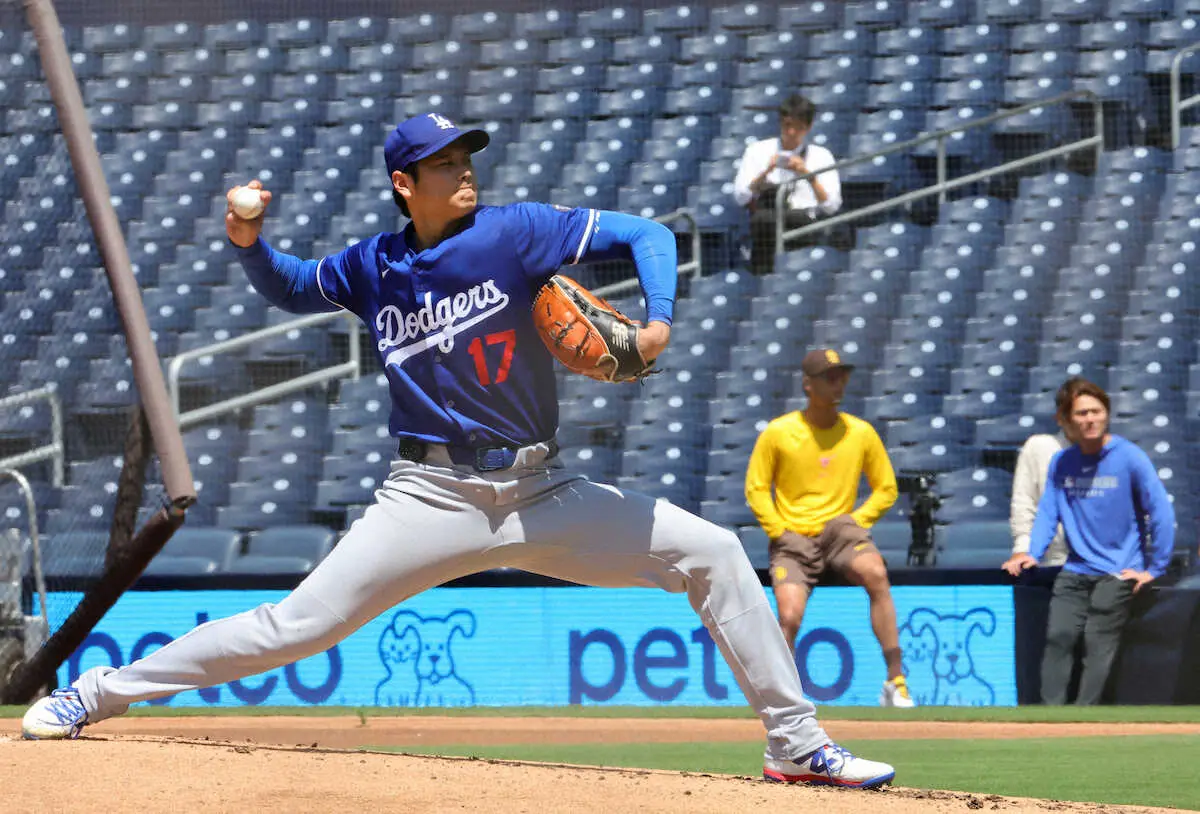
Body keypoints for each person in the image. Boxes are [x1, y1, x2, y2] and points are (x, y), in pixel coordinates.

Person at [22, 113, 894, 789]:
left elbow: (650, 236)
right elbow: (293, 286)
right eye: (444, 162)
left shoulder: (513, 232)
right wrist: (250, 246)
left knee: (714, 553)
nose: (464, 169)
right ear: (405, 184)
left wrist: (658, 319)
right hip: (428, 497)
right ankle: (94, 693)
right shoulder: (374, 265)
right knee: (293, 627)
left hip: (543, 491)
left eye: (466, 156)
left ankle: (795, 744)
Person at [744, 349, 912, 708]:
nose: (838, 384)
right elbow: (756, 488)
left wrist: (856, 521)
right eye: (829, 377)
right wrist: (778, 530)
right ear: (808, 384)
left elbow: (886, 488)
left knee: (876, 574)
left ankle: (896, 681)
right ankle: (783, 697)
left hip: (841, 533)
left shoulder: (860, 432)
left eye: (841, 377)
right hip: (793, 536)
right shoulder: (779, 432)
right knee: (789, 615)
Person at [1002, 378, 1175, 705]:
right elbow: (1048, 511)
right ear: (1066, 420)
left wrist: (1154, 568)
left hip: (1118, 570)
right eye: (1081, 413)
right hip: (1076, 568)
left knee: (1097, 641)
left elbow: (1161, 512)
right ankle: (1051, 717)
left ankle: (1085, 715)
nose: (1090, 419)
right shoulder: (1062, 462)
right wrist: (1032, 552)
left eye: (1096, 411)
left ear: (1107, 414)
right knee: (1058, 637)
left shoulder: (1130, 457)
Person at [732, 93, 843, 276]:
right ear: (780, 123)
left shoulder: (821, 155)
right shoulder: (757, 151)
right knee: (762, 221)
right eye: (787, 125)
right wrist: (766, 172)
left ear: (808, 127)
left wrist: (808, 175)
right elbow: (741, 196)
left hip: (804, 223)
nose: (791, 133)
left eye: (799, 128)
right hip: (767, 225)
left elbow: (831, 206)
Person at [1010, 379, 1082, 569]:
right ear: (1060, 418)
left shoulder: (1117, 453)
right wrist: (1022, 548)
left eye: (1092, 412)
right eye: (1078, 413)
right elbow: (1024, 501)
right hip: (1054, 562)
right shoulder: (1039, 447)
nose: (1086, 420)